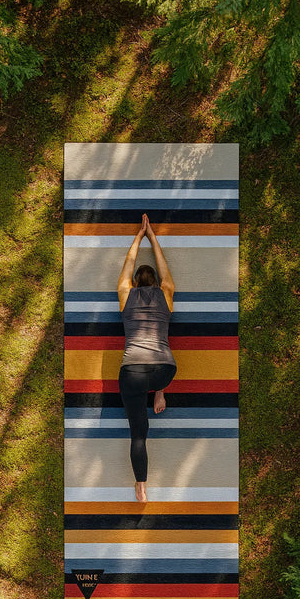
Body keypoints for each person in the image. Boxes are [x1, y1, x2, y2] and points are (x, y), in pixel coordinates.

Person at [117, 214, 177, 502]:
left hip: (132, 374)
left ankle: (141, 487)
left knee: (138, 434)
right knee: (157, 370)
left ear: (134, 283)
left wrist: (138, 237)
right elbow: (165, 273)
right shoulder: (166, 293)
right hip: (164, 371)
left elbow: (126, 266)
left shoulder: (125, 294)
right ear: (155, 282)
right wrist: (152, 237)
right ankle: (159, 394)